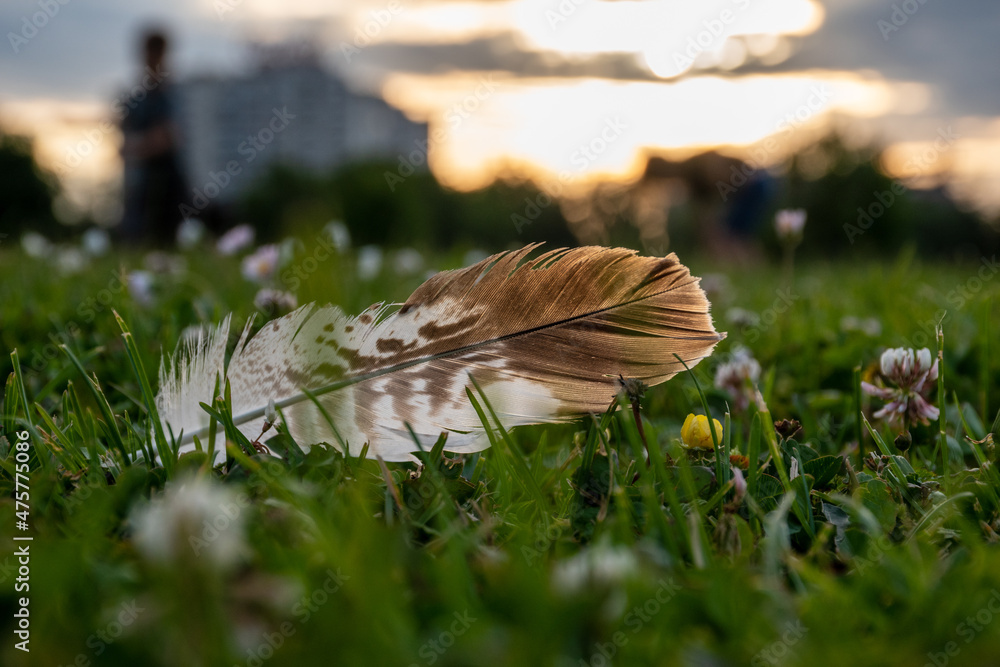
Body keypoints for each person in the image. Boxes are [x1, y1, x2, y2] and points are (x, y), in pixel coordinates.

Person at [119, 29, 188, 245]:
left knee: (167, 239)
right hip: (142, 185)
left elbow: (166, 140)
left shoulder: (170, 93)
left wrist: (136, 148)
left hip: (166, 182)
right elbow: (124, 142)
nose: (152, 58)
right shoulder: (138, 97)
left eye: (157, 52)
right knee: (136, 237)